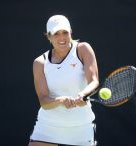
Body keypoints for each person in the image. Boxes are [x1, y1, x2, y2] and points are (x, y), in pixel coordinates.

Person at [28, 15, 99, 146]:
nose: (62, 38)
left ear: (70, 32)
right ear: (49, 36)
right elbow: (44, 101)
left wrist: (82, 95)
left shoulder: (83, 49)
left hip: (81, 126)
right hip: (48, 126)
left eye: (65, 32)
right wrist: (61, 100)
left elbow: (94, 82)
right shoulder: (39, 63)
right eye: (56, 34)